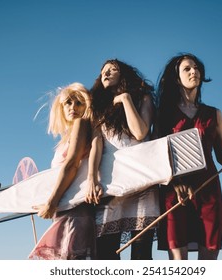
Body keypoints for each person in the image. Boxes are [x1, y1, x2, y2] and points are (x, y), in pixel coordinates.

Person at [155, 53, 222, 260]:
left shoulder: (214, 114)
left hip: (208, 188)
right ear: (177, 78)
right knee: (178, 262)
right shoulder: (163, 113)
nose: (194, 71)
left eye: (196, 68)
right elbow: (157, 156)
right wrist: (175, 183)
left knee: (209, 257)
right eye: (187, 68)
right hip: (175, 191)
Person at [89, 59, 159, 260]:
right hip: (110, 183)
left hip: (142, 183)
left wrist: (126, 99)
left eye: (112, 70)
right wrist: (92, 179)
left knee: (141, 255)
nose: (106, 73)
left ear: (124, 75)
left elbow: (140, 132)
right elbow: (97, 145)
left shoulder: (142, 98)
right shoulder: (97, 107)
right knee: (105, 254)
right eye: (103, 71)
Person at [28, 82, 102, 260]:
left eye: (79, 103)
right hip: (68, 211)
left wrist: (51, 203)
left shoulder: (81, 124)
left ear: (87, 105)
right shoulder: (66, 136)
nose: (73, 107)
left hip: (75, 211)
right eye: (68, 103)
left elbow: (72, 164)